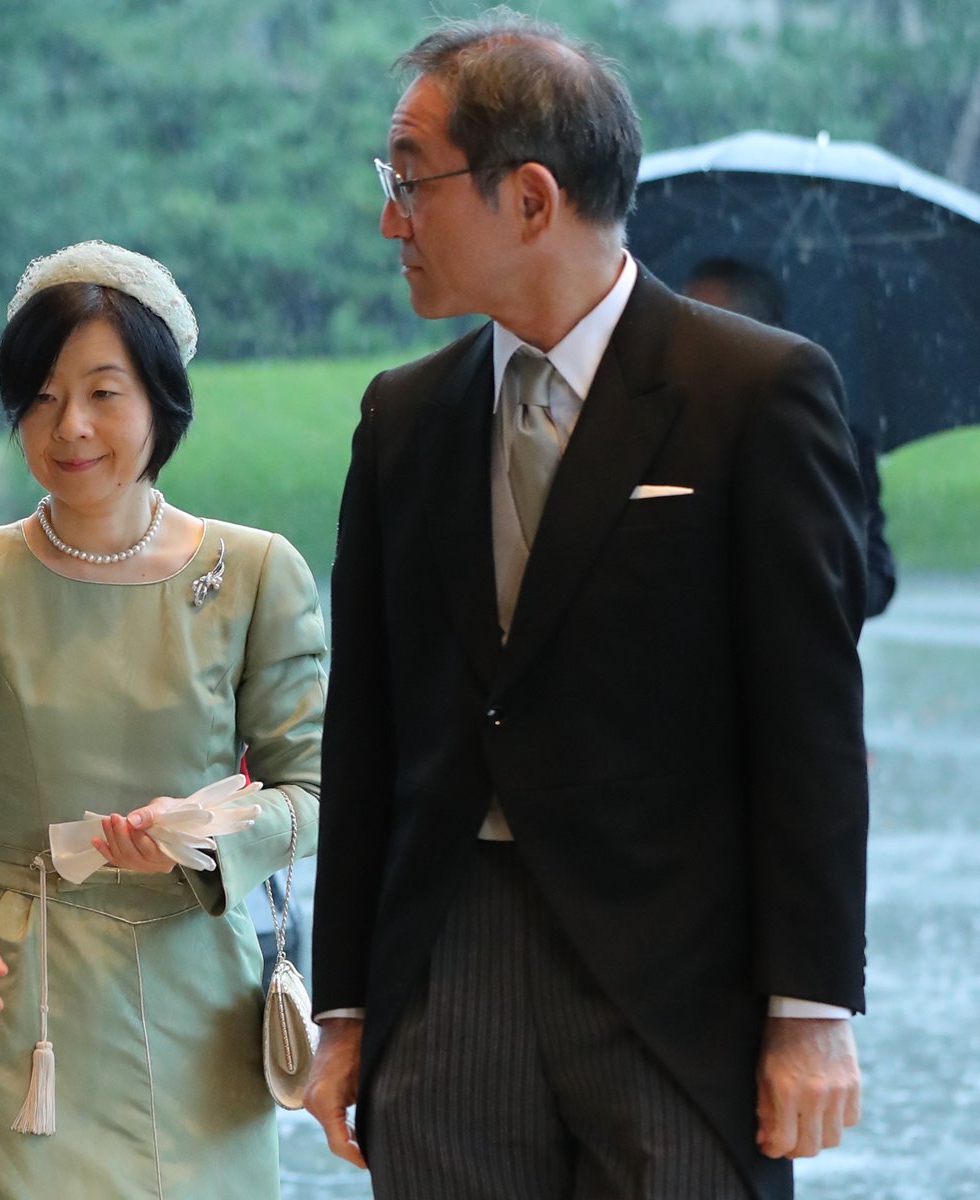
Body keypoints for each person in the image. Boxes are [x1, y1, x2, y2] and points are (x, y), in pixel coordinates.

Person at [305, 11, 868, 1200]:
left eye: (410, 182)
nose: (389, 220)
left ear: (529, 199)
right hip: (445, 974)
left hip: (678, 986)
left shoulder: (754, 392)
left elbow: (810, 728)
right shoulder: (402, 420)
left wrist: (811, 1011)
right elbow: (365, 735)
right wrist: (345, 1007)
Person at [0, 240, 326, 1199]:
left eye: (103, 393)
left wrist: (205, 841)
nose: (69, 425)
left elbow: (314, 791)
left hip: (200, 1011)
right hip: (14, 1007)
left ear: (162, 400)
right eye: (40, 397)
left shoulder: (255, 573)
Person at [683, 256, 897, 617]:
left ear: (764, 336)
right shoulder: (664, 431)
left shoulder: (831, 443)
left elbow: (872, 582)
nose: (685, 347)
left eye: (705, 329)